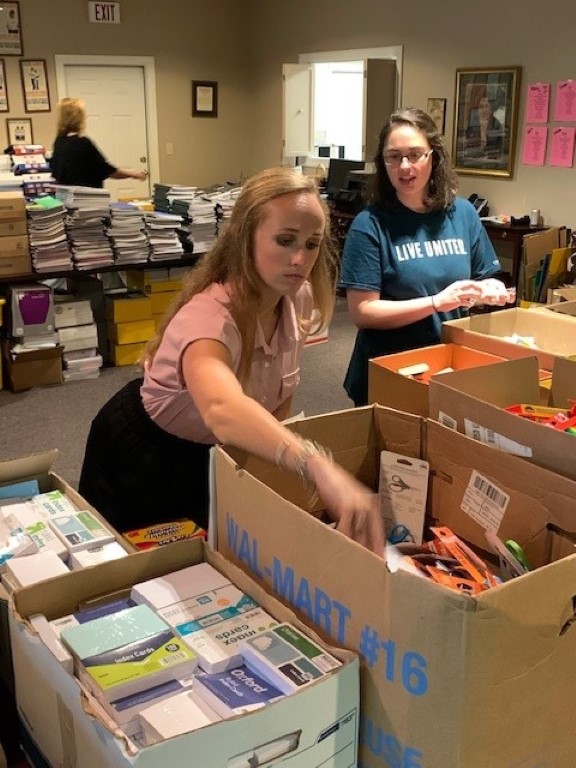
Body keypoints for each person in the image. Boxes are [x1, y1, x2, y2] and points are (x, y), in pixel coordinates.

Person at [78, 167, 384, 554]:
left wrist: (283, 476)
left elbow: (277, 400)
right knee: (133, 575)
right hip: (147, 458)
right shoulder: (210, 316)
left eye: (311, 244)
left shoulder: (297, 298)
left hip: (217, 453)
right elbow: (222, 406)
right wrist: (316, 465)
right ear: (245, 239)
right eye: (285, 240)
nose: (299, 258)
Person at [339, 107, 515, 407]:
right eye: (394, 156)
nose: (405, 166)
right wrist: (436, 303)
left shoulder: (463, 214)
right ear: (384, 163)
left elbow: (485, 276)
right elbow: (363, 312)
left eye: (415, 154)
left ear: (433, 156)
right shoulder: (370, 224)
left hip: (448, 365)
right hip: (390, 370)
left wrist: (491, 290)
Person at [49, 97, 148, 188]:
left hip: (67, 199)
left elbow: (56, 172)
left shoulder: (59, 142)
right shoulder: (82, 143)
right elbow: (107, 170)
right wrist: (134, 174)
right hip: (87, 199)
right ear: (79, 118)